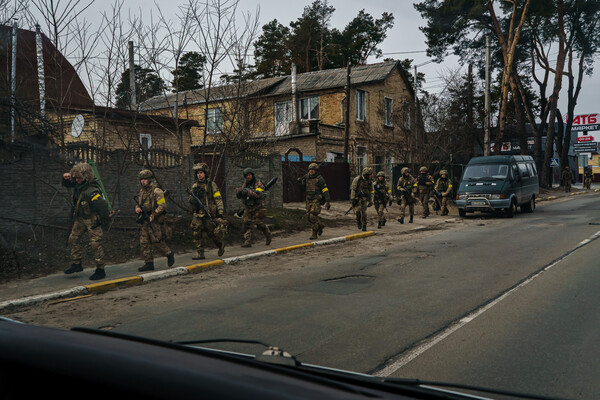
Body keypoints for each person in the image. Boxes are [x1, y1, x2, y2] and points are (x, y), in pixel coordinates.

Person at [62, 162, 110, 280]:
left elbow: (103, 206)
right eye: (76, 178)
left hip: (92, 219)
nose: (77, 180)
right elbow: (68, 184)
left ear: (86, 177)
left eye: (79, 178)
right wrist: (65, 178)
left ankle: (100, 269)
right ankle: (77, 264)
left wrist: (103, 222)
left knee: (95, 244)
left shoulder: (91, 190)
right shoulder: (79, 184)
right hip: (80, 219)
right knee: (73, 239)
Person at [135, 169, 175, 271]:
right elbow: (139, 204)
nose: (143, 181)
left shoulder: (157, 191)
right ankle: (148, 263)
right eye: (141, 179)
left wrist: (154, 214)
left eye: (145, 179)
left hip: (154, 220)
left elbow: (162, 205)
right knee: (144, 242)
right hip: (145, 219)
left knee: (156, 240)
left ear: (149, 180)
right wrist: (137, 208)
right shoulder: (142, 192)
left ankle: (169, 254)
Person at [189, 163, 225, 259]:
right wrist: (193, 200)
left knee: (211, 233)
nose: (199, 175)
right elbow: (190, 200)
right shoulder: (194, 186)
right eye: (197, 173)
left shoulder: (212, 185)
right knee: (196, 232)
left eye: (201, 173)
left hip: (208, 213)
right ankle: (200, 253)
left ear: (205, 174)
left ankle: (220, 245)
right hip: (198, 214)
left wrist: (220, 212)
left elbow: (218, 199)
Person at [236, 168, 272, 248]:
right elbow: (242, 193)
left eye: (249, 175)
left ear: (252, 175)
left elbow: (259, 194)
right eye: (246, 176)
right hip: (248, 208)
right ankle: (247, 241)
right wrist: (240, 193)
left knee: (259, 224)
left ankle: (268, 234)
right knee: (246, 224)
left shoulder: (258, 183)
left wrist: (248, 192)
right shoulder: (245, 184)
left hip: (258, 207)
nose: (248, 177)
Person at [297, 163, 331, 240]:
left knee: (312, 216)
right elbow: (303, 189)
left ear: (316, 171)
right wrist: (300, 182)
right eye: (310, 170)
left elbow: (325, 190)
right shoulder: (306, 177)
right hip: (308, 199)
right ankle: (320, 225)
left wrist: (328, 201)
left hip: (316, 199)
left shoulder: (320, 179)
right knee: (308, 217)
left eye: (313, 170)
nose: (311, 171)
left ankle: (314, 233)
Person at [350, 167, 374, 231]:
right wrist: (353, 198)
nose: (371, 176)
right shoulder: (357, 179)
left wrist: (371, 200)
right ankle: (358, 222)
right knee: (358, 211)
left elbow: (372, 191)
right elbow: (353, 189)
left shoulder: (370, 181)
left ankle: (364, 225)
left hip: (364, 199)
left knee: (364, 212)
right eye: (369, 174)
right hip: (357, 198)